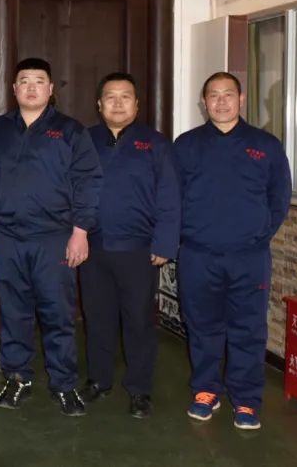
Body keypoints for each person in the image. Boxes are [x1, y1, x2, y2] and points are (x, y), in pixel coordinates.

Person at [174, 71, 291, 431]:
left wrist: (257, 235)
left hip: (249, 257)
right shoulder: (186, 145)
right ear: (204, 102)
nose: (221, 101)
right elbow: (171, 198)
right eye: (214, 95)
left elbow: (279, 198)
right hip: (198, 255)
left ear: (241, 99)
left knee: (248, 329)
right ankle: (206, 390)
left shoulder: (265, 145)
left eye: (228, 94)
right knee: (202, 326)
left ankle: (246, 399)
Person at [0, 57, 102, 417]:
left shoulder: (70, 131)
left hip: (54, 238)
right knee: (14, 313)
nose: (31, 87)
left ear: (51, 89)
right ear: (14, 88)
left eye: (39, 81)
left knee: (58, 314)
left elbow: (88, 182)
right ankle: (17, 377)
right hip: (7, 237)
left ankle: (64, 384)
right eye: (24, 81)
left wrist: (80, 231)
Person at [78, 73, 180, 419]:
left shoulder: (155, 144)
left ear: (136, 104)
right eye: (111, 97)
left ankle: (139, 389)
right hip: (93, 248)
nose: (118, 103)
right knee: (97, 318)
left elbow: (169, 197)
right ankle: (98, 380)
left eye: (126, 97)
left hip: (139, 250)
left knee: (138, 321)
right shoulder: (84, 141)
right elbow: (69, 189)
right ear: (99, 104)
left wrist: (165, 243)